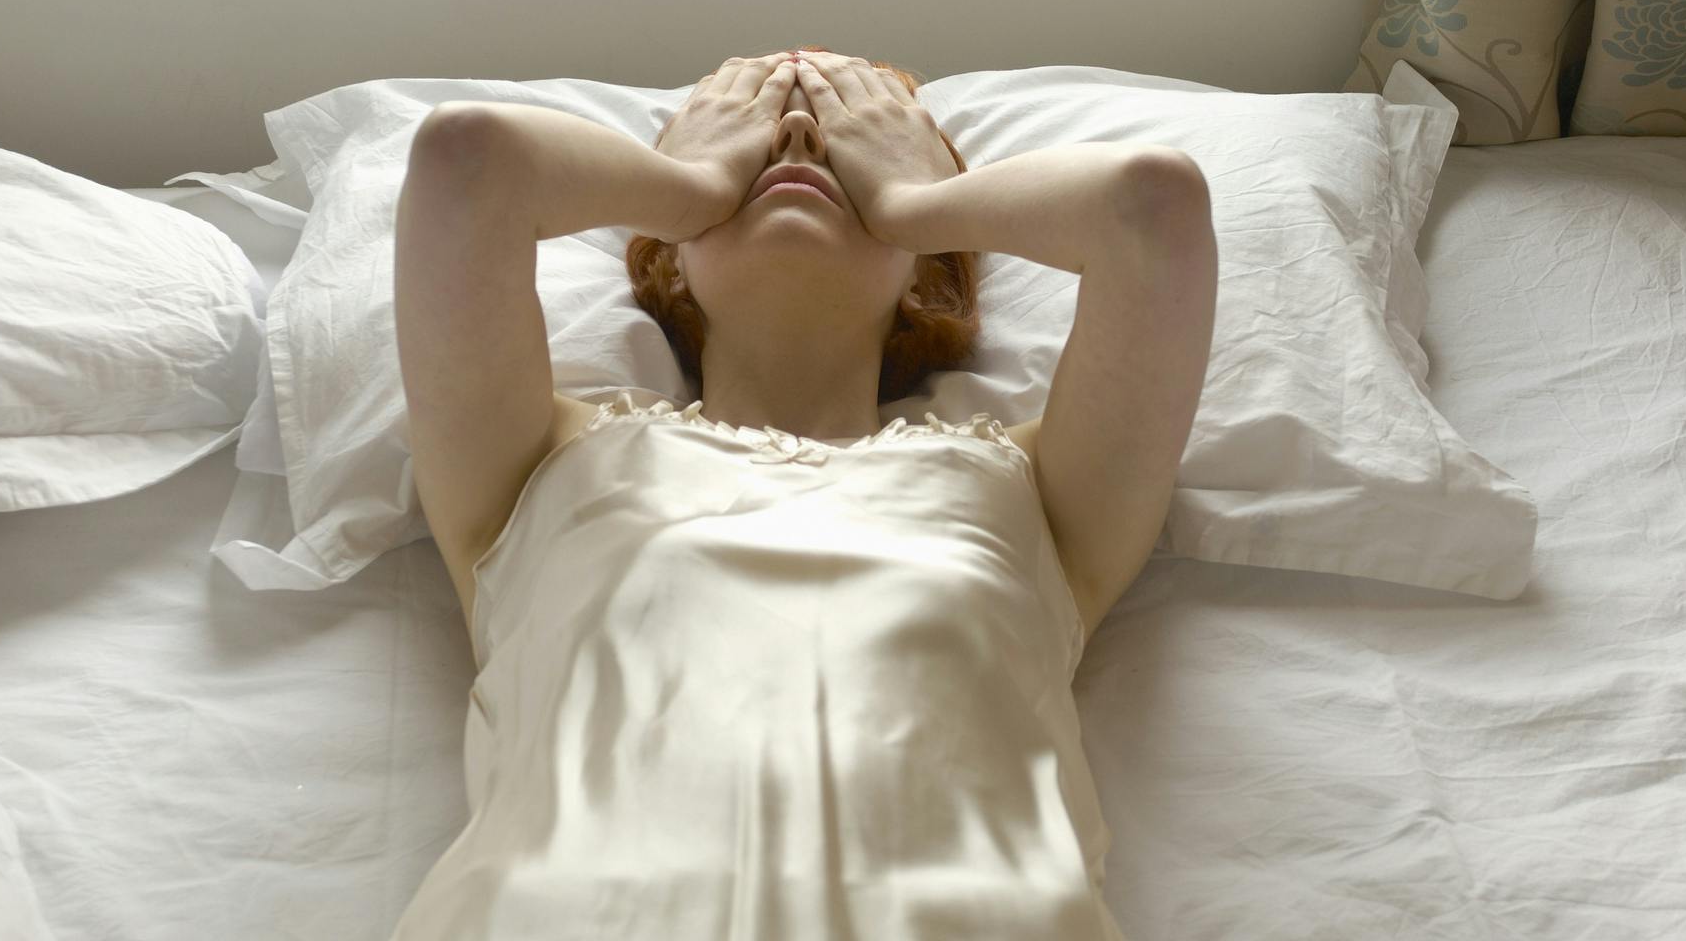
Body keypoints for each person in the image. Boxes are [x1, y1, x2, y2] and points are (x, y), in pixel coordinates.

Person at [387, 48, 1217, 939]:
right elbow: (468, 162)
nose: (794, 136)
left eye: (847, 139)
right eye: (753, 129)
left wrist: (911, 202)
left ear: (924, 273)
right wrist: (693, 183)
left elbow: (1152, 209)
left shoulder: (1038, 493)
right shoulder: (537, 461)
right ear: (670, 260)